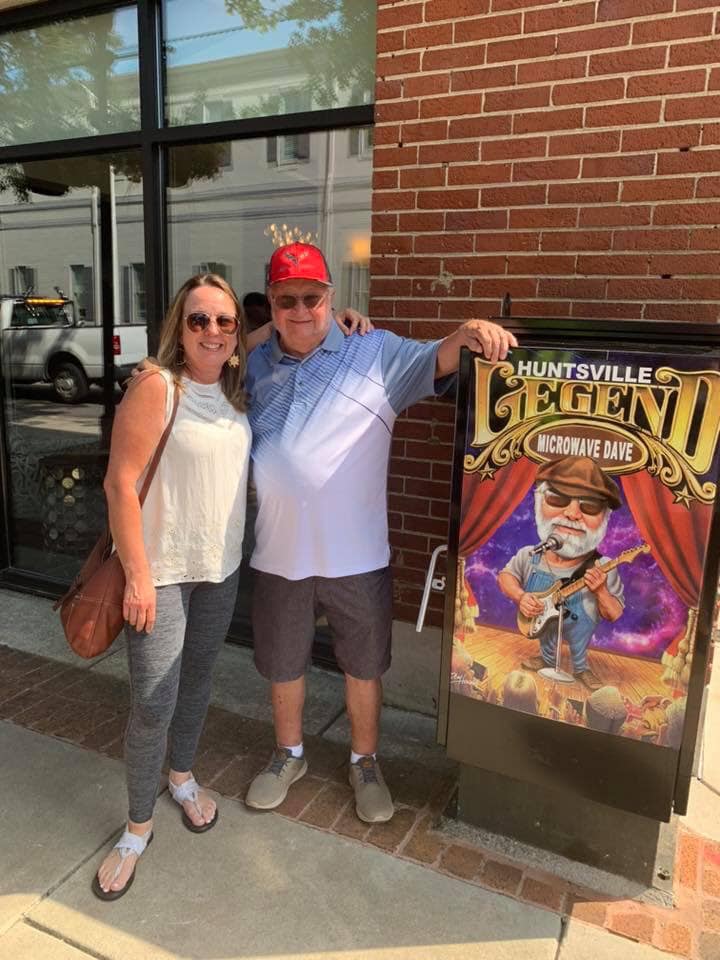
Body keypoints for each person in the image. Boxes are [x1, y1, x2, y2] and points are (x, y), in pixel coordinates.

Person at [94, 274, 370, 900]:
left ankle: (183, 776)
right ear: (178, 327)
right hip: (159, 575)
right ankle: (137, 828)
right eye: (198, 321)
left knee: (197, 682)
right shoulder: (157, 387)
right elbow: (119, 484)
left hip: (218, 569)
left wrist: (336, 316)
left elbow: (266, 332)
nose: (212, 332)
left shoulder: (238, 389)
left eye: (223, 321)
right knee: (152, 703)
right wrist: (137, 574)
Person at [243, 241, 517, 824]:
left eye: (312, 298)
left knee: (364, 664)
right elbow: (211, 359)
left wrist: (467, 331)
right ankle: (288, 754)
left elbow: (438, 357)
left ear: (330, 296)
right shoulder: (255, 363)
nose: (300, 310)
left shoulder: (373, 350)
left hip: (357, 554)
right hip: (277, 551)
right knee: (283, 662)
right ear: (271, 303)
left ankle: (365, 762)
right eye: (286, 299)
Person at [497, 456, 625, 693]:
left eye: (590, 505)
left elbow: (615, 613)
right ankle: (546, 659)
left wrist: (601, 591)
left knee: (579, 636)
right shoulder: (530, 555)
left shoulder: (602, 566)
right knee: (547, 634)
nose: (572, 513)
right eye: (557, 497)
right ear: (538, 502)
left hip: (579, 628)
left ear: (604, 517)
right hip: (542, 621)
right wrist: (520, 596)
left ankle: (581, 668)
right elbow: (505, 576)